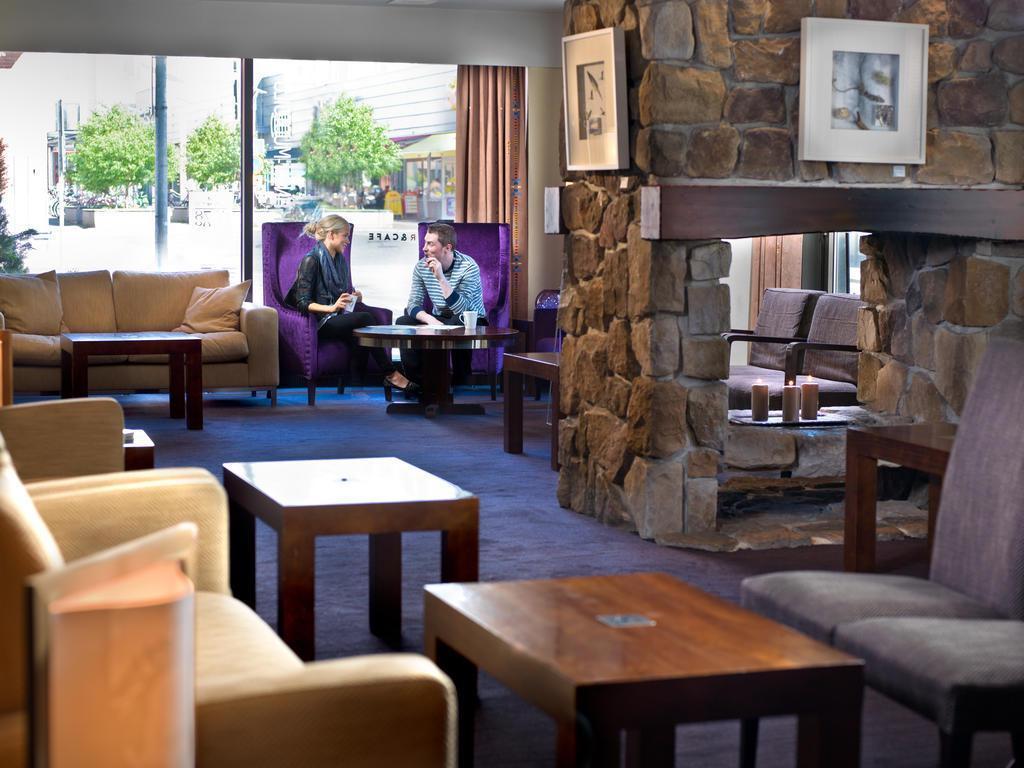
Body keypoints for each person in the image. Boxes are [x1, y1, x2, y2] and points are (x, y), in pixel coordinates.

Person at [286, 214, 416, 396]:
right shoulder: (311, 260)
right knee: (366, 319)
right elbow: (302, 303)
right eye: (345, 236)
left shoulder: (339, 261)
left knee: (360, 332)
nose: (348, 240)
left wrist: (355, 297)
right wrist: (332, 308)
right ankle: (390, 373)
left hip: (334, 317)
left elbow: (338, 294)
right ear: (331, 235)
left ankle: (357, 386)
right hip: (316, 322)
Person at [396, 222, 486, 387]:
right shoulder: (421, 266)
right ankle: (417, 382)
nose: (424, 248)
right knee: (403, 322)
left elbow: (462, 309)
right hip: (440, 318)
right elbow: (413, 304)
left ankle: (460, 381)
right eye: (425, 242)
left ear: (447, 248)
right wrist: (431, 321)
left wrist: (441, 278)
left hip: (471, 318)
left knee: (458, 322)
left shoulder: (468, 267)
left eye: (430, 244)